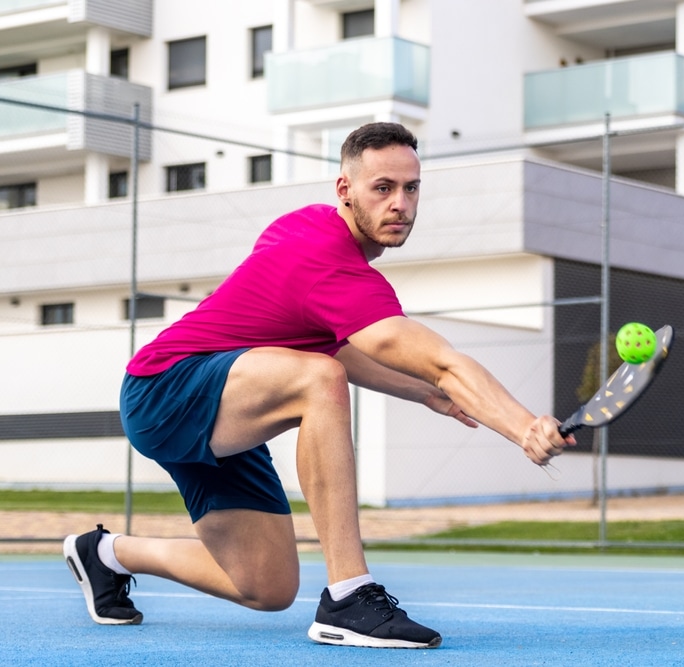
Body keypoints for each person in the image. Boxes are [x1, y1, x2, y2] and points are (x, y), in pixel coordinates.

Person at [63, 122, 574, 649]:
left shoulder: (305, 227)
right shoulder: (329, 263)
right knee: (318, 377)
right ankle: (350, 597)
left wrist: (423, 393)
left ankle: (104, 554)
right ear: (345, 189)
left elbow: (347, 348)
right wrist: (524, 427)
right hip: (164, 389)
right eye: (383, 188)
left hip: (221, 404)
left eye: (411, 188)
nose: (400, 203)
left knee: (266, 586)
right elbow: (439, 362)